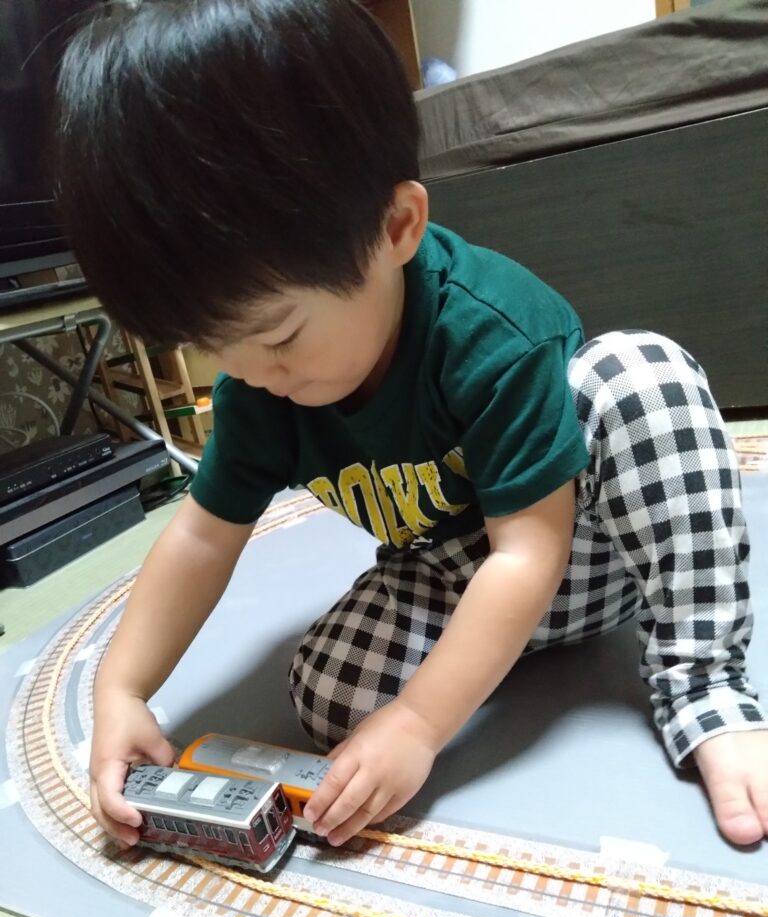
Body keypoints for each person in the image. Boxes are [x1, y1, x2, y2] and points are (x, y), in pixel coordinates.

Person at [55, 0, 767, 852]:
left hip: (585, 545)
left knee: (640, 375)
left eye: (278, 337)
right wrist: (121, 691)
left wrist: (423, 723)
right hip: (449, 572)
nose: (251, 374)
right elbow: (202, 538)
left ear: (397, 228)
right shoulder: (260, 385)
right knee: (326, 697)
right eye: (213, 349)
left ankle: (705, 685)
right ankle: (490, 662)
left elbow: (528, 553)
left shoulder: (489, 331)